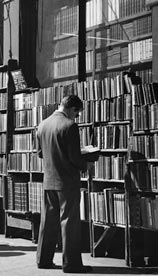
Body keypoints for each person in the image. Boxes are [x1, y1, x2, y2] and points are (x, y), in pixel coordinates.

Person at [36, 95, 99, 273]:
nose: (76, 117)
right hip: (67, 181)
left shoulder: (42, 125)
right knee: (69, 223)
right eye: (77, 114)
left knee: (47, 221)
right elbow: (74, 158)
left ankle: (43, 260)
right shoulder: (70, 126)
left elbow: (40, 153)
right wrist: (85, 163)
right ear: (72, 109)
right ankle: (71, 263)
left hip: (49, 180)